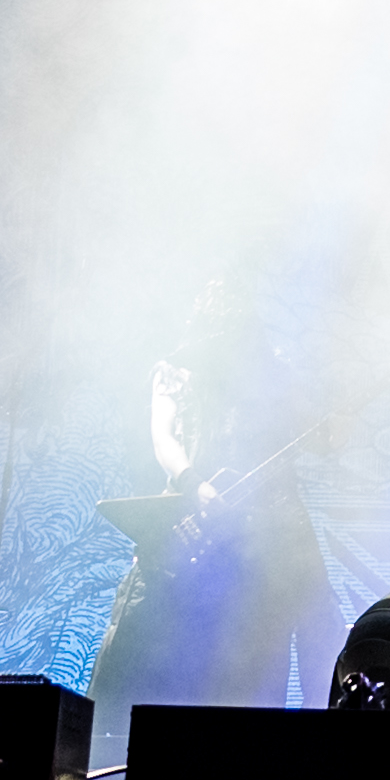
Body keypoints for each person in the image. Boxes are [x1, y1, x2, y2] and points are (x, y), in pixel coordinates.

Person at [89, 276, 332, 726]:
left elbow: (318, 439)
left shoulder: (268, 376)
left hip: (254, 541)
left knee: (258, 648)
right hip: (184, 527)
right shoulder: (175, 371)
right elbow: (162, 438)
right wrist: (191, 482)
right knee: (140, 639)